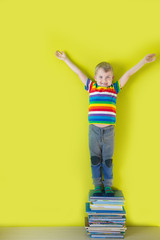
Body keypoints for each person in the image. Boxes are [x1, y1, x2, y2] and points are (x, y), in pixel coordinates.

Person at [55, 50, 156, 196]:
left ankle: (108, 186)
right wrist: (65, 59)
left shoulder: (114, 89)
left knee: (108, 161)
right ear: (95, 77)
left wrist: (143, 61)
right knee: (95, 160)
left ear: (112, 78)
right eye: (101, 76)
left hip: (109, 132)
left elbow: (128, 74)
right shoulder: (91, 87)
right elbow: (78, 73)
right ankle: (97, 185)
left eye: (108, 77)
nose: (104, 79)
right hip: (94, 131)